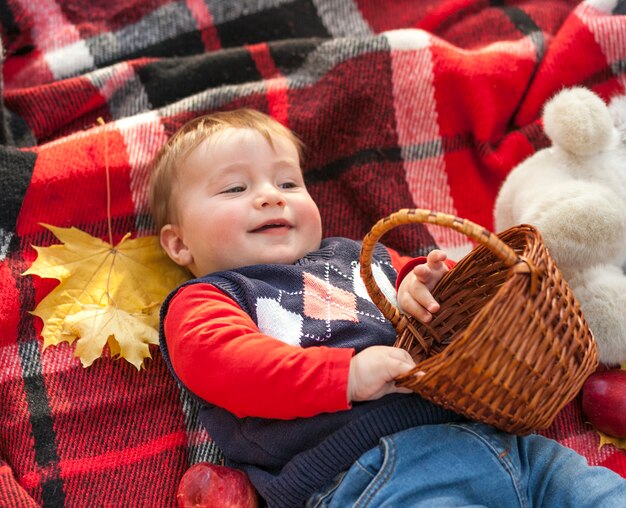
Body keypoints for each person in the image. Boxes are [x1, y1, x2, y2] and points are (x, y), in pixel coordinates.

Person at [151, 108, 626, 507]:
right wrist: (346, 377)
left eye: (289, 183)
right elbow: (231, 366)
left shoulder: (357, 255)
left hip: (502, 442)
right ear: (179, 244)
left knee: (596, 491)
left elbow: (408, 287)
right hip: (373, 473)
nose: (271, 195)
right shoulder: (210, 298)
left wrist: (424, 283)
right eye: (235, 189)